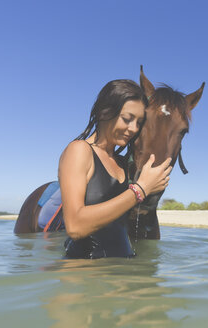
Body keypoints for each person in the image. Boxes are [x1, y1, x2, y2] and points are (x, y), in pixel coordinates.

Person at [59, 79, 172, 259]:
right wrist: (140, 190)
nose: (133, 129)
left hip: (121, 273)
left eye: (139, 122)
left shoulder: (122, 163)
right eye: (127, 119)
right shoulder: (79, 150)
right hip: (86, 275)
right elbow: (75, 226)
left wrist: (153, 186)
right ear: (105, 112)